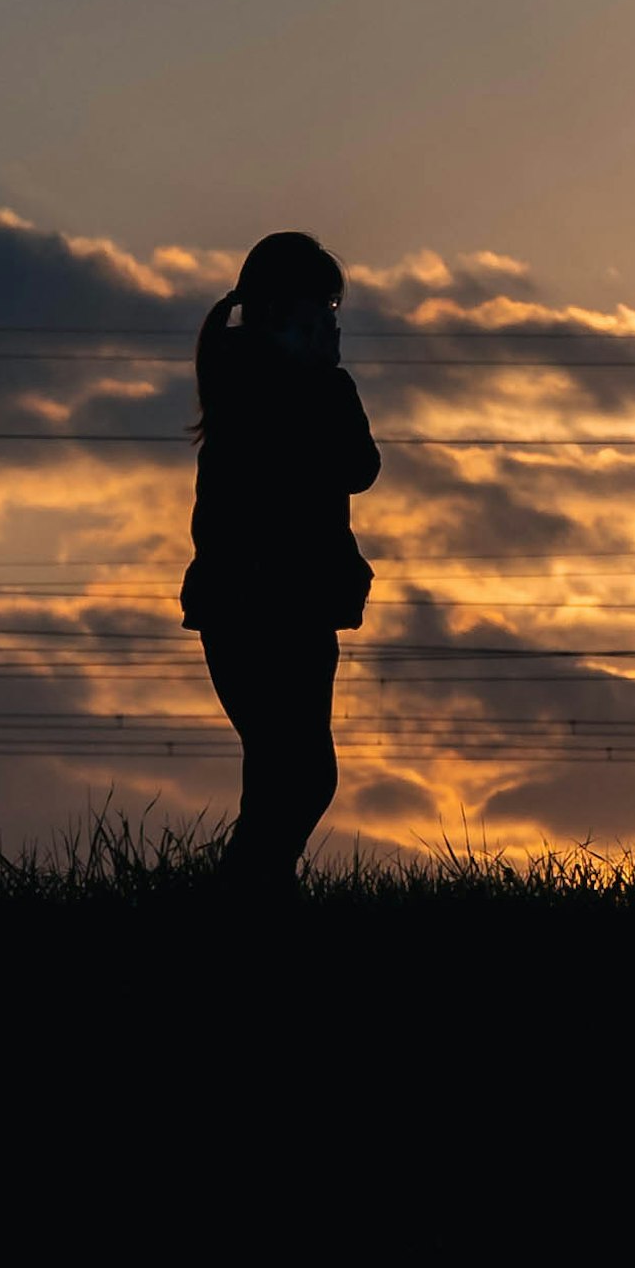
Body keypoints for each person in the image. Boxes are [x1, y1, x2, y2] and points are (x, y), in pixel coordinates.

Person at [179, 230, 379, 900]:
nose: (324, 330)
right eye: (308, 319)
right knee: (287, 767)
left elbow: (360, 470)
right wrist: (325, 387)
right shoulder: (248, 395)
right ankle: (249, 887)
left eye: (329, 316)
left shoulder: (313, 389)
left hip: (296, 607)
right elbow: (309, 470)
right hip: (249, 606)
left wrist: (330, 385)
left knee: (294, 770)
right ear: (267, 321)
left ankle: (256, 885)